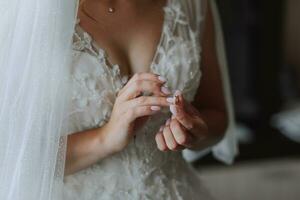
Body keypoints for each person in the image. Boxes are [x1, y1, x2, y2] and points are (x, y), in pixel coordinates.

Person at [0, 0, 237, 199]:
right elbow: (11, 157)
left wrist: (194, 131)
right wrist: (105, 138)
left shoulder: (192, 4)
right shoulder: (21, 11)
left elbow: (216, 113)